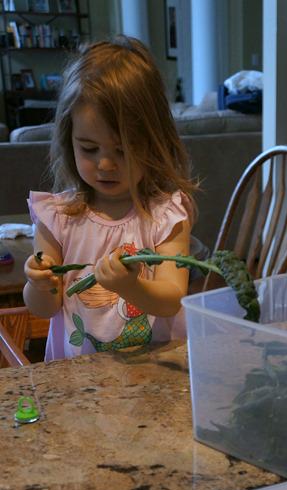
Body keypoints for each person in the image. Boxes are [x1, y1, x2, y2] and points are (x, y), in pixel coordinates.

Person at [23, 35, 197, 360]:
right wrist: (37, 283)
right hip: (80, 382)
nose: (105, 164)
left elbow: (172, 297)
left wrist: (131, 287)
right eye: (89, 148)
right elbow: (44, 309)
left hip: (153, 374)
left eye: (122, 150)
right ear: (68, 140)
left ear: (154, 143)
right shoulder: (57, 216)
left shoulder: (166, 214)